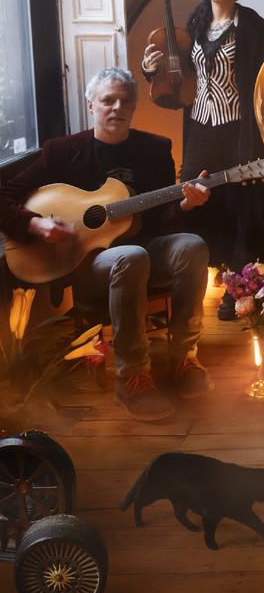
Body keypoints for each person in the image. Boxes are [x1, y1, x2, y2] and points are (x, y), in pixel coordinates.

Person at [0, 68, 213, 421]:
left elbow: (160, 219)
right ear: (91, 105)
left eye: (125, 101)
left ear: (134, 106)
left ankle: (184, 356)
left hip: (144, 250)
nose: (117, 107)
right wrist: (35, 224)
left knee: (192, 245)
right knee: (131, 255)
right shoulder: (62, 152)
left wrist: (185, 205)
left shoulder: (155, 149)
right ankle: (132, 377)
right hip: (86, 263)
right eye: (108, 100)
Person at [142, 0, 264, 321]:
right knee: (197, 199)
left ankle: (238, 286)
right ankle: (201, 279)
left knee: (240, 206)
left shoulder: (252, 25)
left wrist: (261, 135)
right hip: (201, 128)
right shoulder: (195, 24)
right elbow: (178, 84)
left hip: (239, 129)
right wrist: (150, 69)